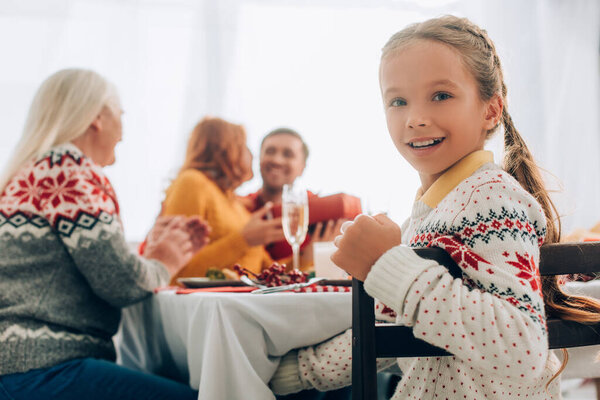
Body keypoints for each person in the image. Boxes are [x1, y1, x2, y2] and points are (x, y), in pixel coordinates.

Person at [269, 15, 600, 399]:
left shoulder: (491, 199)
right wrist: (294, 374)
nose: (415, 119)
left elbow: (520, 347)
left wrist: (386, 264)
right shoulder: (429, 213)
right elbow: (393, 325)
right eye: (398, 101)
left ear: (491, 110)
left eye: (440, 95)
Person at [0, 69, 208, 400]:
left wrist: (147, 255)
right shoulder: (66, 168)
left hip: (20, 366)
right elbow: (120, 284)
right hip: (44, 368)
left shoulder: (30, 172)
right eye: (121, 115)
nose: (123, 133)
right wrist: (166, 261)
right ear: (98, 116)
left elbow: (90, 270)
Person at [161, 117, 285, 281]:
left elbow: (270, 273)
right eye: (244, 146)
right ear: (227, 149)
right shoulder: (192, 182)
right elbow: (175, 271)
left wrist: (310, 254)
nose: (252, 154)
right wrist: (243, 240)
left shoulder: (236, 204)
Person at [242, 128, 344, 267]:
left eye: (288, 154)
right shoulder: (240, 208)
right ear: (259, 159)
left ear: (302, 167)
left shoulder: (320, 212)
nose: (277, 160)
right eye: (270, 151)